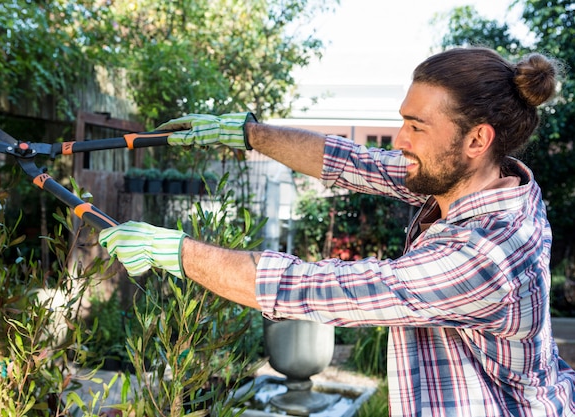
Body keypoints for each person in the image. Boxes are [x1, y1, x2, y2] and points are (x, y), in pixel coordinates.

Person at [98, 47, 575, 416]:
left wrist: (176, 252)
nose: (400, 140)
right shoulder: (479, 179)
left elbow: (323, 290)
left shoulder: (485, 255)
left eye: (416, 126)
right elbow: (355, 161)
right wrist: (247, 134)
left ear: (477, 139)